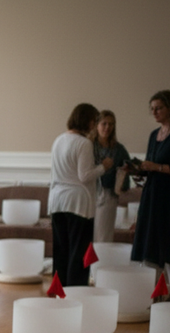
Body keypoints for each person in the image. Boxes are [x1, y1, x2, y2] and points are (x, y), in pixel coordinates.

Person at [131, 90, 170, 295]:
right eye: (152, 109)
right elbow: (151, 165)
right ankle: (152, 289)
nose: (155, 112)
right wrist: (138, 170)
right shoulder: (153, 135)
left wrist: (156, 167)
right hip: (153, 196)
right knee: (151, 239)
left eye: (158, 108)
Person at [49, 103, 114, 287]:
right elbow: (84, 176)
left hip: (57, 201)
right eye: (94, 121)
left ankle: (59, 291)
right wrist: (104, 167)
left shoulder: (58, 139)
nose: (94, 125)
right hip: (78, 203)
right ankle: (75, 293)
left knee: (61, 251)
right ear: (87, 120)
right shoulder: (83, 143)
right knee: (79, 253)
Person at [93, 110, 130, 245]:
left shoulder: (118, 149)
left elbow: (127, 168)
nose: (107, 127)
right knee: (86, 236)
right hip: (89, 193)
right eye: (104, 123)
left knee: (103, 236)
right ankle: (86, 266)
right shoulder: (88, 146)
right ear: (97, 125)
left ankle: (101, 265)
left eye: (111, 124)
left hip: (108, 195)